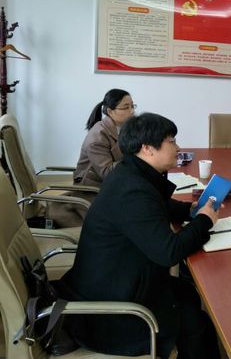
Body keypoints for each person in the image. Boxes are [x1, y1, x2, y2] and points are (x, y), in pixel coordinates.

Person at [58, 113, 220, 359]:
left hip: (116, 280)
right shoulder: (132, 191)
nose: (178, 148)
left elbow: (156, 205)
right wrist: (204, 221)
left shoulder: (130, 173)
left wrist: (190, 210)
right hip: (112, 310)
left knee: (187, 293)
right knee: (197, 324)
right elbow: (169, 252)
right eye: (171, 141)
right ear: (148, 148)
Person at [73, 88, 135, 187]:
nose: (132, 111)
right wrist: (137, 159)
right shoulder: (98, 136)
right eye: (126, 107)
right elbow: (107, 172)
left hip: (116, 181)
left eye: (132, 106)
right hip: (93, 186)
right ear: (110, 111)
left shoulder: (123, 127)